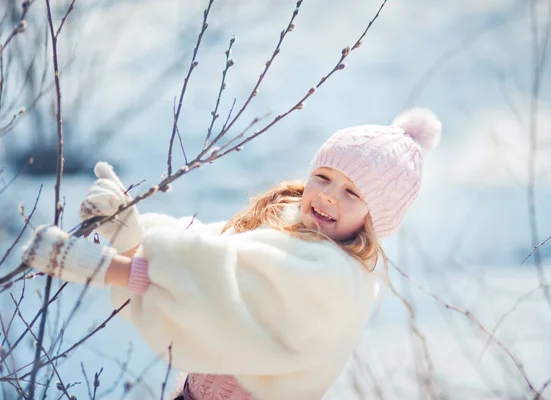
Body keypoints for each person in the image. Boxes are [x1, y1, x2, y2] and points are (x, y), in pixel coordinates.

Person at [22, 108, 442, 400]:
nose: (329, 196)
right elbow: (210, 248)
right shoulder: (289, 227)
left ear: (376, 219)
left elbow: (217, 295)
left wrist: (108, 269)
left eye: (352, 192)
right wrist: (134, 232)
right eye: (323, 177)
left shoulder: (333, 278)